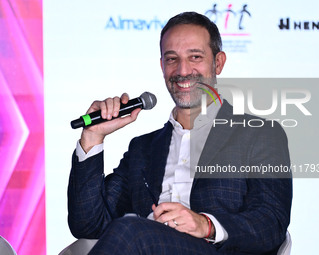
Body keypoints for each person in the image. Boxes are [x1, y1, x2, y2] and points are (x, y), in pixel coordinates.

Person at [67, 12, 292, 255]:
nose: (183, 70)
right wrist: (92, 137)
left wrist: (205, 225)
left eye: (195, 57)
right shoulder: (143, 149)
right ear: (162, 65)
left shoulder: (259, 135)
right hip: (144, 246)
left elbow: (271, 223)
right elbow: (87, 225)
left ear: (218, 63)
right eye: (172, 59)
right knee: (128, 231)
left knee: (129, 229)